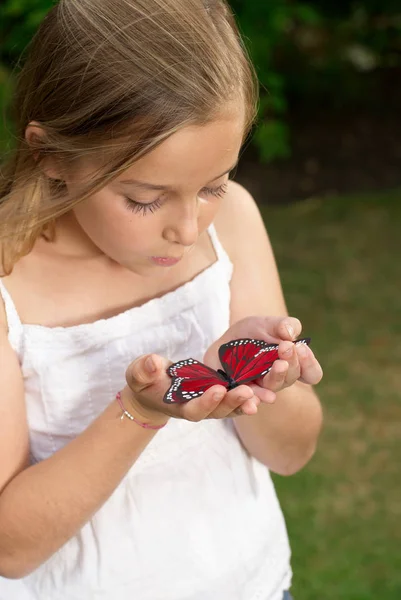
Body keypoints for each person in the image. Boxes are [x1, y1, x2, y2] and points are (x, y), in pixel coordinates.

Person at [0, 1, 323, 598]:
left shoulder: (235, 225)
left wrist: (264, 381)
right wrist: (142, 411)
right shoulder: (8, 288)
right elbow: (11, 548)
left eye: (212, 186)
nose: (187, 228)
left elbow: (291, 455)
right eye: (146, 198)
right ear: (50, 154)